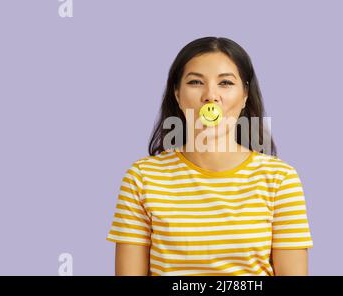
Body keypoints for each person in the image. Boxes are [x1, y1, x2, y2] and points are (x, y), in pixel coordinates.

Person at [106, 36, 313, 276]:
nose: (210, 96)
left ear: (245, 95)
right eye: (195, 82)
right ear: (177, 94)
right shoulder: (142, 178)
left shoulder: (280, 179)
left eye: (225, 83)